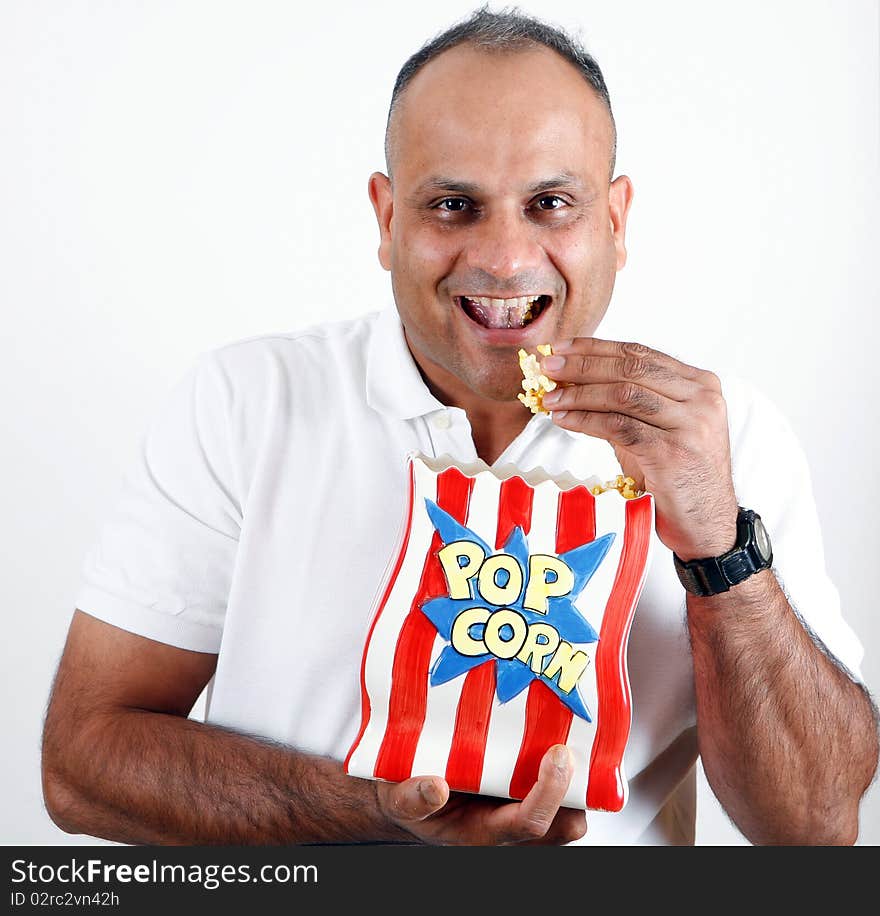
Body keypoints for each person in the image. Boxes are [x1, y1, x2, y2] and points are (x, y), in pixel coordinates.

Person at [42, 6, 878, 846]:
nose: (506, 258)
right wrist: (373, 817)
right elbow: (82, 767)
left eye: (551, 202)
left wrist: (720, 547)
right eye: (453, 205)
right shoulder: (248, 402)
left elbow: (814, 826)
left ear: (615, 223)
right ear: (386, 218)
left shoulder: (727, 434)